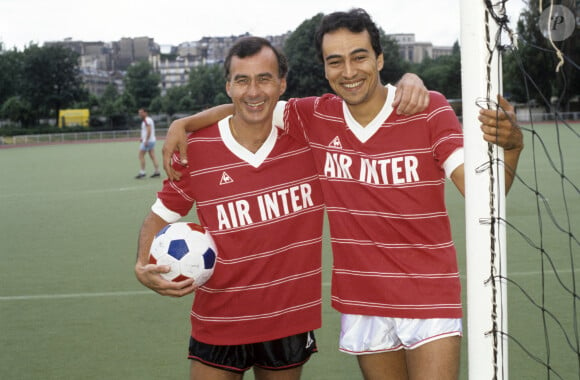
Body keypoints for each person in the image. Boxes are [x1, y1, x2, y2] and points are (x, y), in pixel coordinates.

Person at [161, 9, 524, 380]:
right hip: (362, 301)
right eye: (336, 61)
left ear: (379, 59)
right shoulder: (314, 116)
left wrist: (511, 149)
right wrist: (185, 123)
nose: (348, 71)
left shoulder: (428, 109)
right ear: (325, 68)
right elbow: (254, 103)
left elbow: (482, 197)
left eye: (359, 56)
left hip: (428, 296)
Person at [135, 107, 160, 179]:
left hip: (148, 141)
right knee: (152, 156)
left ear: (145, 113)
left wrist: (145, 140)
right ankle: (157, 171)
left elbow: (149, 131)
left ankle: (142, 172)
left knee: (141, 155)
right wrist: (142, 138)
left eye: (141, 112)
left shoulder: (146, 120)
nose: (139, 114)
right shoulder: (148, 120)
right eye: (139, 113)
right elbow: (146, 131)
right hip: (151, 140)